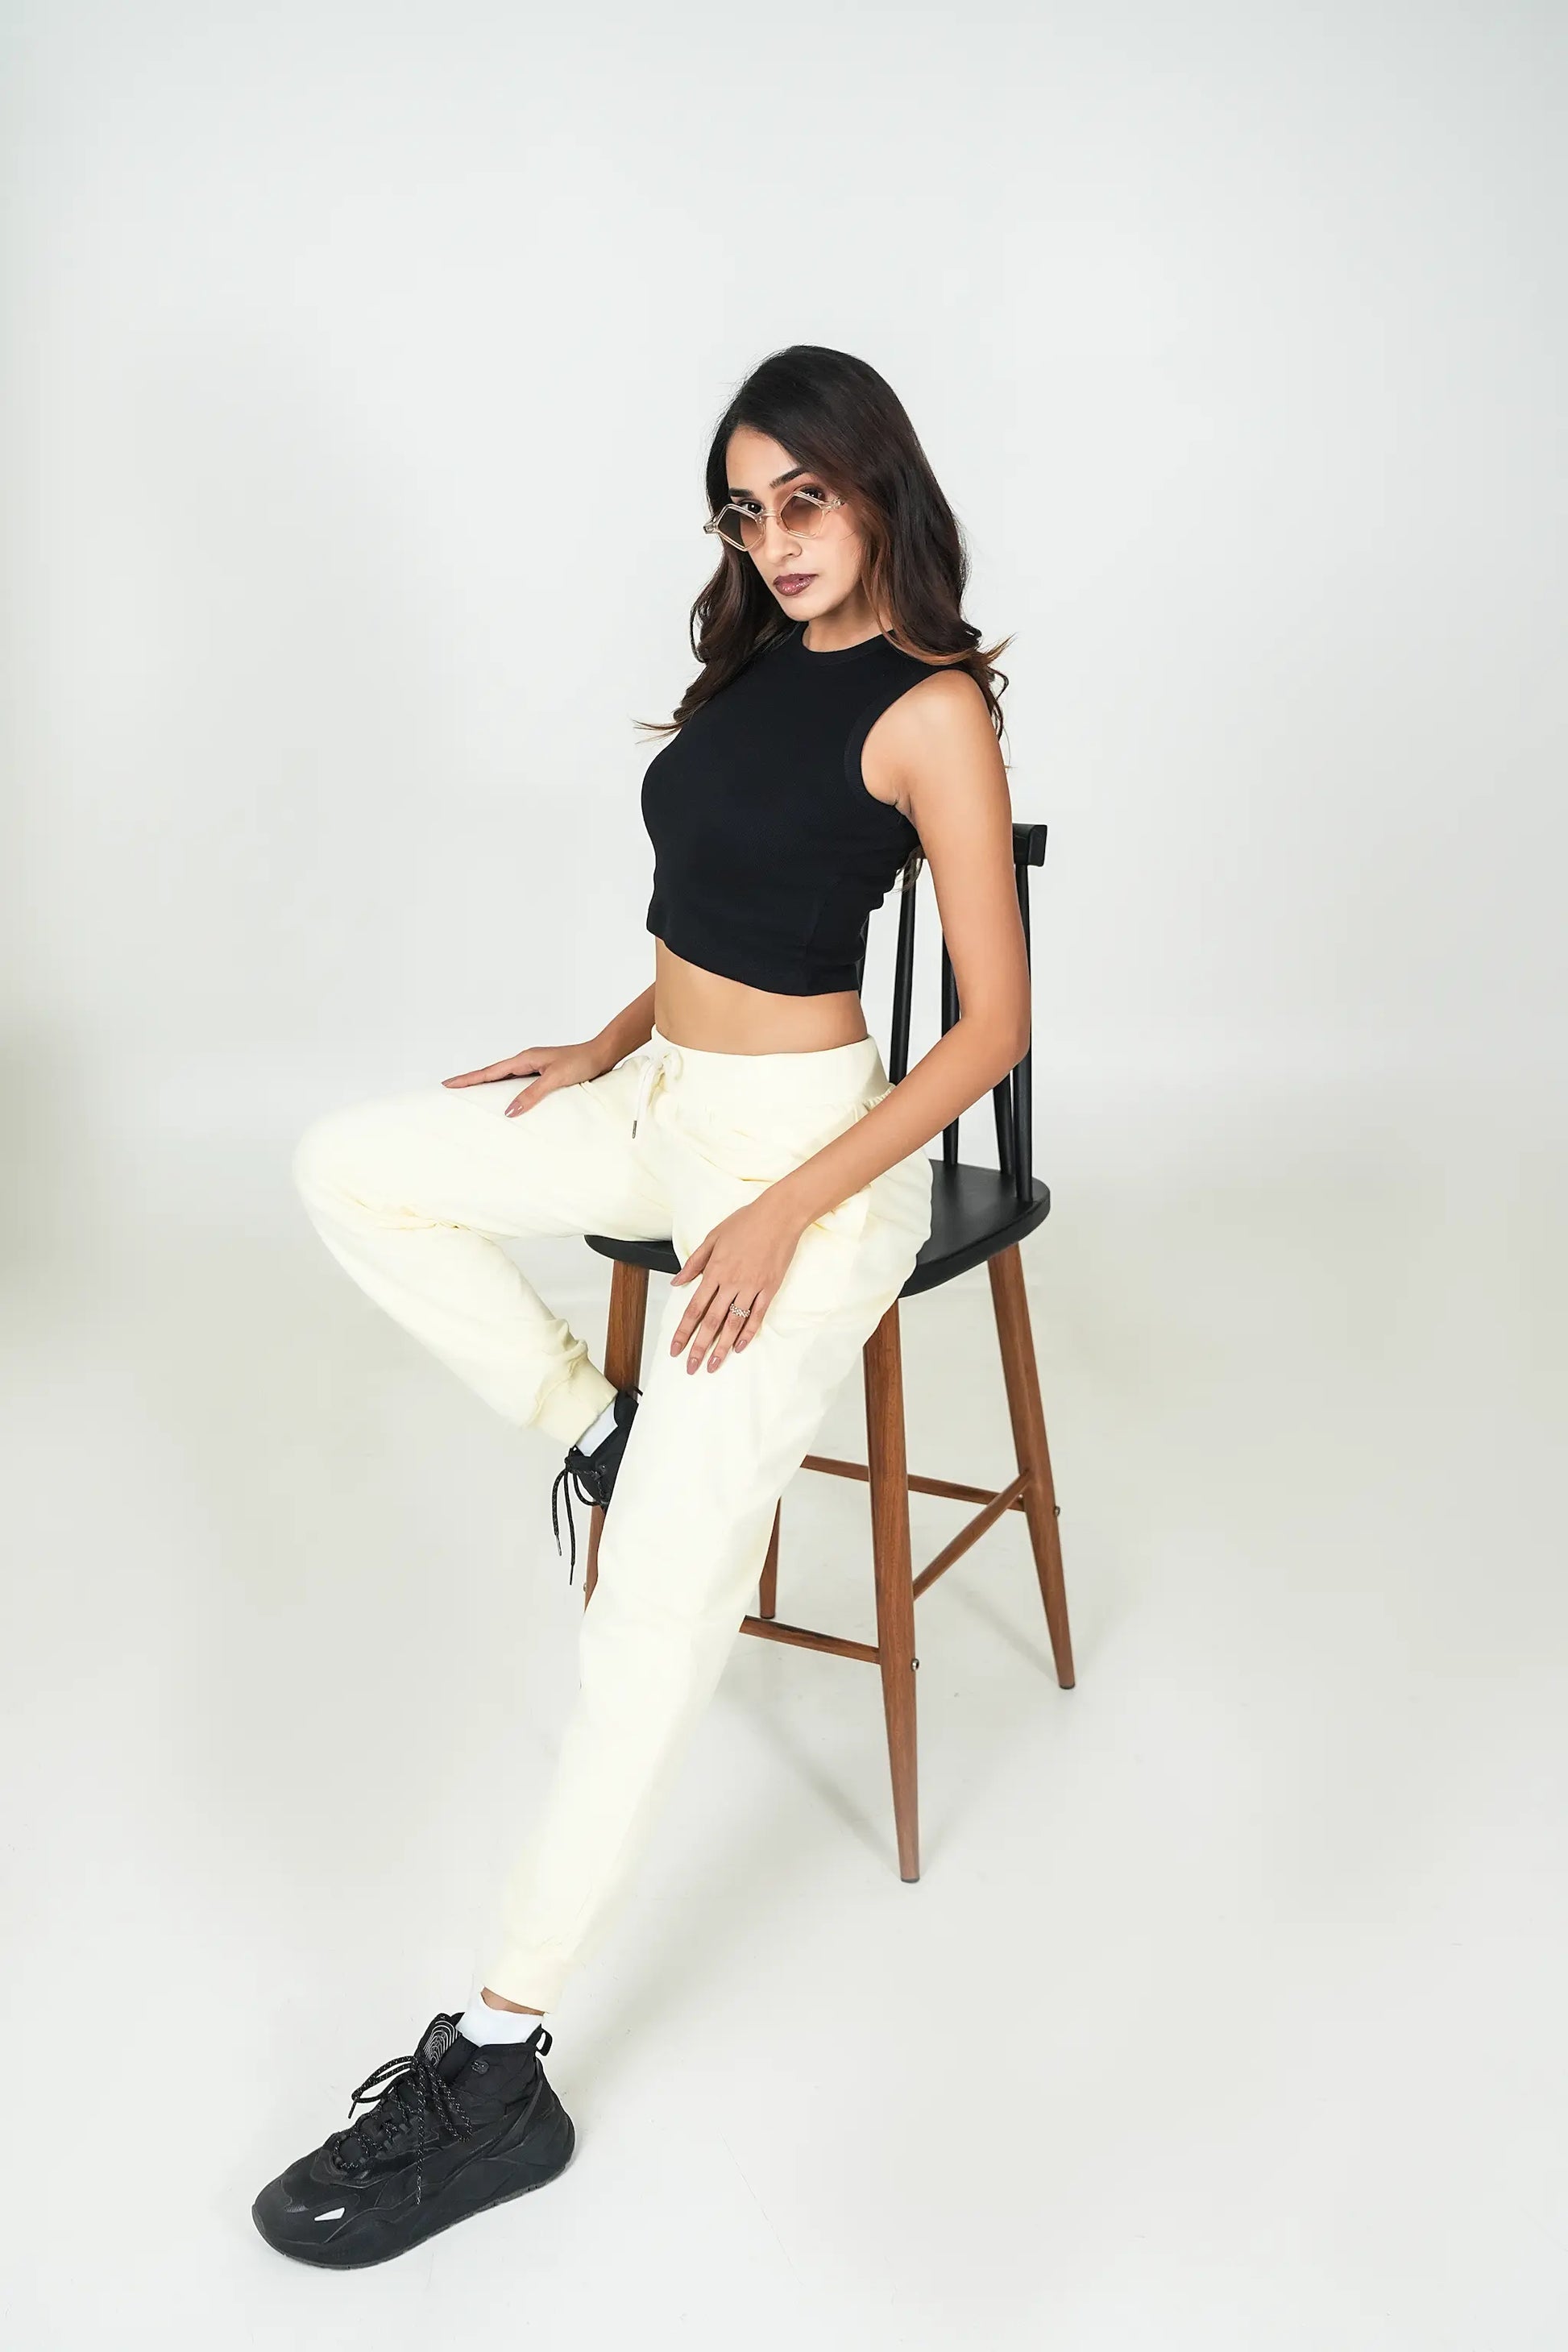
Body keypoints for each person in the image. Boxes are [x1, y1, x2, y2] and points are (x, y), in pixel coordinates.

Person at [252, 342, 1032, 2267]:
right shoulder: (759, 664)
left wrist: (775, 1210)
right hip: (667, 1103)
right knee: (351, 1159)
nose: (776, 540)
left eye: (804, 500)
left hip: (805, 1156)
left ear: (875, 486)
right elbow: (713, 902)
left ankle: (497, 2055)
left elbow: (988, 1029)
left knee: (651, 1617)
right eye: (747, 512)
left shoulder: (932, 707)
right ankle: (593, 1426)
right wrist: (608, 1042)